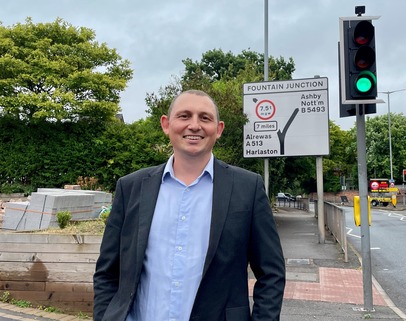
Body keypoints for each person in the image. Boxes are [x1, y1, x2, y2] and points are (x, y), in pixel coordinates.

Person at [93, 90, 286, 321]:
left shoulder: (248, 188)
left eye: (205, 118)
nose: (194, 125)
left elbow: (271, 274)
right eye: (184, 116)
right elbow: (107, 272)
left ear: (219, 129)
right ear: (166, 124)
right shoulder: (131, 187)